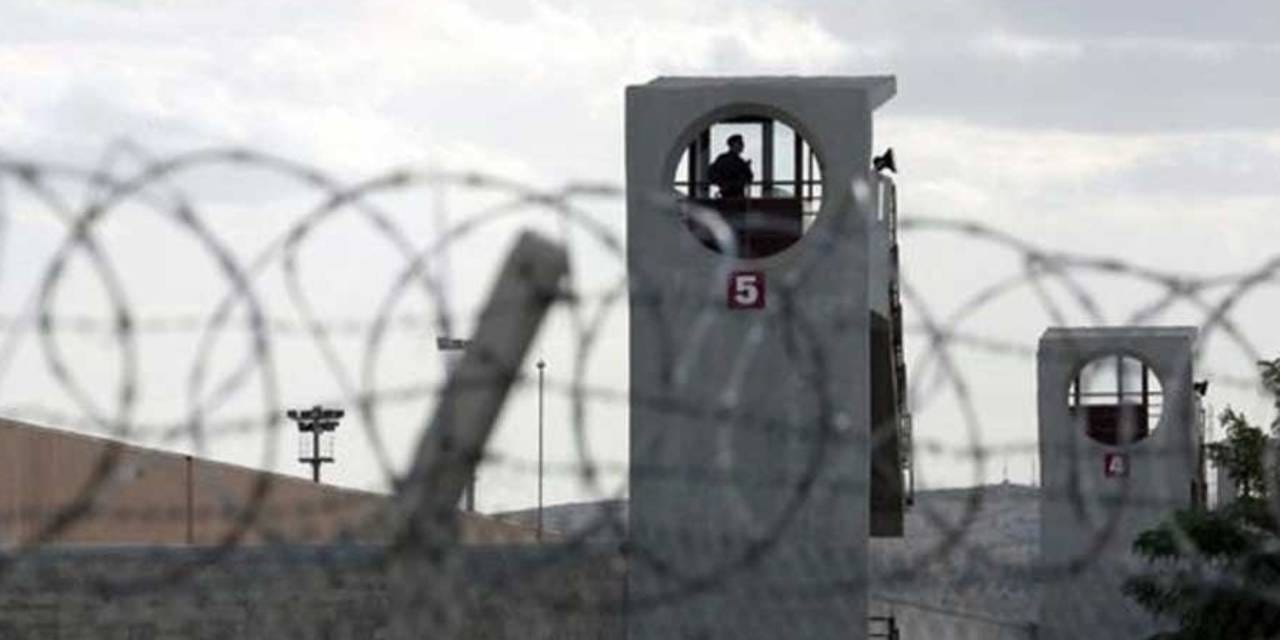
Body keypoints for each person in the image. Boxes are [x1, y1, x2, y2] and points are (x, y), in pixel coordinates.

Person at [707, 134, 753, 198]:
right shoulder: (724, 159)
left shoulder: (740, 161)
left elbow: (749, 178)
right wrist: (722, 183)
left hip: (737, 194)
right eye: (740, 143)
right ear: (732, 145)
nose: (742, 146)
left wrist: (746, 167)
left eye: (742, 144)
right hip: (729, 194)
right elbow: (712, 173)